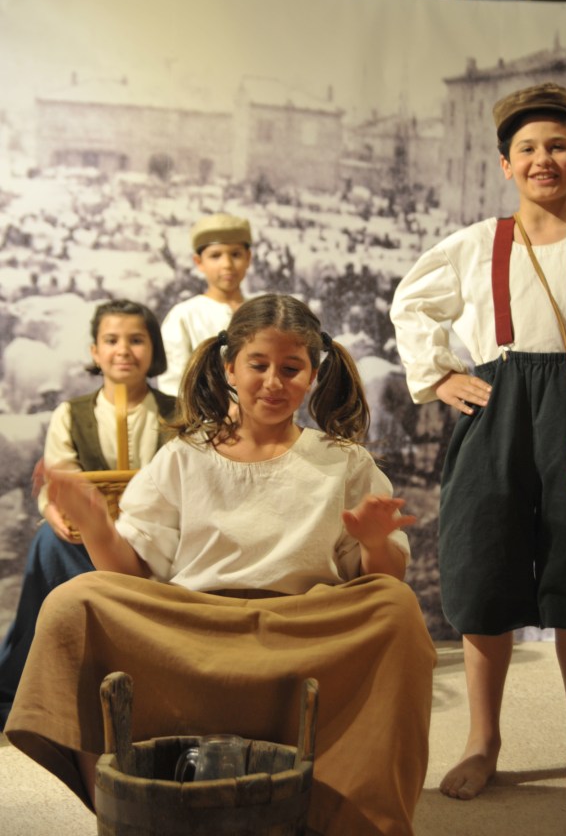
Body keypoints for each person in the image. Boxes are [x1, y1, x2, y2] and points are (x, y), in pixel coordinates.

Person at [5, 294, 436, 836]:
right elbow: (130, 576)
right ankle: (125, 806)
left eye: (290, 369)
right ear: (230, 367)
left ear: (313, 375)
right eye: (258, 365)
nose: (273, 382)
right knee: (75, 600)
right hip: (194, 628)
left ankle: (361, 813)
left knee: (396, 606)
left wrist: (374, 543)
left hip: (303, 630)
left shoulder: (342, 460)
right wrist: (95, 525)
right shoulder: (186, 455)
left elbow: (380, 583)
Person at [390, 82, 566, 808]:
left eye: (558, 146)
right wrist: (440, 376)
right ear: (505, 164)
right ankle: (482, 741)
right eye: (527, 149)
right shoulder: (473, 245)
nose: (542, 159)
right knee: (483, 566)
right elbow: (412, 304)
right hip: (494, 413)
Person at [0, 299, 176, 728]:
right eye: (111, 340)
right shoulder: (71, 413)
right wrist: (54, 509)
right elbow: (57, 477)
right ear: (95, 351)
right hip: (85, 541)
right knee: (48, 541)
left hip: (155, 542)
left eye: (136, 340)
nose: (123, 350)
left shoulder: (178, 411)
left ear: (153, 349)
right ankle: (24, 684)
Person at [157, 211, 253, 395]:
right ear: (199, 262)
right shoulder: (184, 316)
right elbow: (174, 386)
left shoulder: (265, 312)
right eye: (215, 256)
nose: (227, 264)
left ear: (248, 257)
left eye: (235, 254)